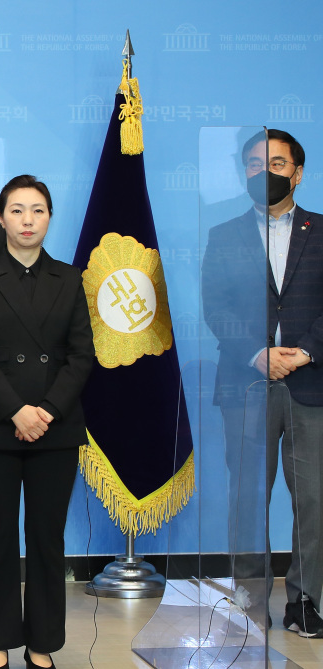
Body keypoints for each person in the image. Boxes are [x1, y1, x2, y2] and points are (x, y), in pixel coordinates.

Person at [0, 176, 94, 669]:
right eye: (17, 210)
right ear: (0, 218)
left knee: (46, 540)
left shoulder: (70, 278)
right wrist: (16, 411)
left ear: (50, 218)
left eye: (37, 210)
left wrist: (46, 411)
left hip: (54, 429)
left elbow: (82, 355)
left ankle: (42, 644)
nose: (27, 220)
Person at [202, 129, 322, 637]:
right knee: (248, 494)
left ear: (297, 172)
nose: (264, 172)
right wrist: (258, 354)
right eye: (253, 164)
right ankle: (250, 598)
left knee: (313, 498)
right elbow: (215, 306)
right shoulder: (223, 233)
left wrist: (303, 352)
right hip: (245, 383)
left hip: (310, 384)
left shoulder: (320, 231)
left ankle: (307, 601)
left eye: (275, 164)